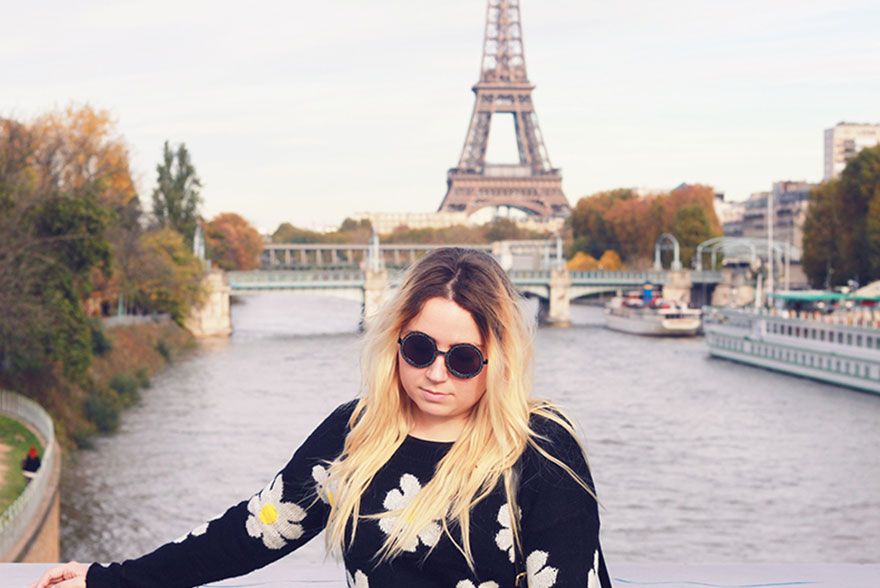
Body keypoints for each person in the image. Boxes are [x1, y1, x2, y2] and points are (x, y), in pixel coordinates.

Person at [30, 247, 612, 588]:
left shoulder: (542, 450)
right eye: (418, 350)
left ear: (499, 360)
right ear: (395, 342)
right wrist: (105, 581)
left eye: (462, 360)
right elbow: (249, 533)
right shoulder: (357, 431)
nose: (436, 373)